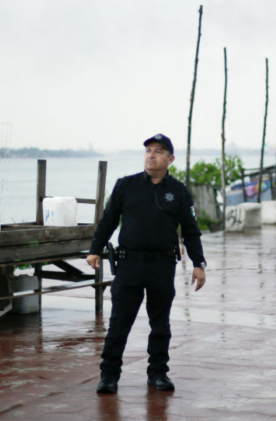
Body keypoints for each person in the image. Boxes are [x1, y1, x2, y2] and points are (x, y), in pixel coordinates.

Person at [87, 133, 207, 395]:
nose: (151, 155)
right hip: (129, 264)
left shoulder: (179, 192)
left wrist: (199, 263)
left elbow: (190, 229)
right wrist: (95, 249)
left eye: (159, 151)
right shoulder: (125, 186)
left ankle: (158, 374)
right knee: (119, 322)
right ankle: (109, 376)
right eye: (148, 151)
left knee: (160, 323)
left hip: (162, 266)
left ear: (170, 159)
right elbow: (108, 221)